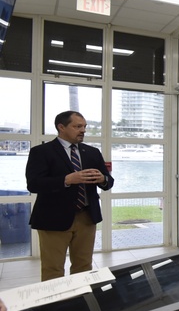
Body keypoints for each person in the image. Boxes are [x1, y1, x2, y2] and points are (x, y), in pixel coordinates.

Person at [26, 111, 114, 281]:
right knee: (53, 269)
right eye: (77, 126)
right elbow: (34, 184)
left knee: (84, 267)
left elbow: (108, 182)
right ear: (61, 127)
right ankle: (55, 307)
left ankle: (80, 304)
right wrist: (67, 180)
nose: (83, 130)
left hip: (87, 218)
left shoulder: (92, 152)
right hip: (53, 220)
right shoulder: (42, 152)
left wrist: (102, 179)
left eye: (84, 127)